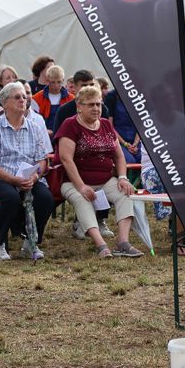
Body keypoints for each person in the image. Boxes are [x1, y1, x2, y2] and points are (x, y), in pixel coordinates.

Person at [56, 86, 142, 258]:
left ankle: (122, 243)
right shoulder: (70, 125)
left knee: (125, 193)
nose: (96, 108)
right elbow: (66, 159)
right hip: (73, 181)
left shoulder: (105, 125)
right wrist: (81, 186)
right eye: (90, 105)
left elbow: (119, 157)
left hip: (105, 179)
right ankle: (101, 245)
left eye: (98, 104)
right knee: (83, 199)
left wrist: (123, 178)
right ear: (79, 106)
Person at [0, 82, 54, 260]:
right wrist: (13, 180)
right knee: (10, 197)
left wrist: (35, 176)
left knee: (45, 198)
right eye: (17, 97)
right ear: (5, 103)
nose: (23, 99)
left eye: (24, 96)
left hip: (28, 177)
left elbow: (42, 160)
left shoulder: (34, 127)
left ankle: (30, 242)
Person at [51, 70, 110, 135]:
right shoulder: (64, 111)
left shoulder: (102, 110)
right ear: (75, 87)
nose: (89, 88)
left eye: (91, 85)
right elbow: (56, 138)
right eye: (84, 86)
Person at [31, 65, 73, 134]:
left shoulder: (71, 99)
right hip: (43, 135)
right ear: (47, 81)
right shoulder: (36, 99)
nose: (56, 85)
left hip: (65, 135)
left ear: (63, 80)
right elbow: (32, 120)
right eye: (53, 82)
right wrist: (44, 131)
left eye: (59, 82)